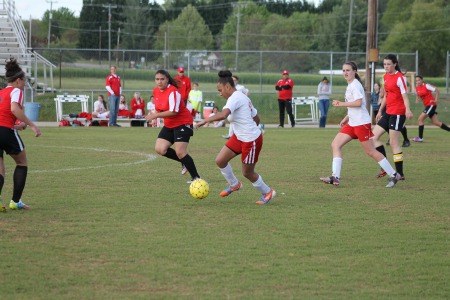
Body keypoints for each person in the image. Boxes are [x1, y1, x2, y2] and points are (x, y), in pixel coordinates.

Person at [195, 70, 275, 205]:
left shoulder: (235, 98)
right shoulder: (240, 97)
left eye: (220, 90)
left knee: (248, 173)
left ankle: (267, 192)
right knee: (220, 160)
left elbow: (223, 115)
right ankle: (234, 184)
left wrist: (203, 121)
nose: (219, 93)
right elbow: (256, 117)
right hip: (239, 137)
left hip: (251, 140)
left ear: (227, 87)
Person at [320, 61, 401, 188]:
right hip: (352, 123)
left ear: (355, 72)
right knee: (335, 144)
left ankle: (394, 174)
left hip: (361, 123)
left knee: (370, 151)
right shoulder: (351, 85)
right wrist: (346, 117)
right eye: (344, 70)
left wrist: (341, 104)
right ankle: (335, 177)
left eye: (348, 70)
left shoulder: (355, 85)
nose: (345, 73)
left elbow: (358, 103)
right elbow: (357, 105)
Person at [0, 58, 42, 211]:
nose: (24, 84)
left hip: (3, 129)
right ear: (18, 80)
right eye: (24, 81)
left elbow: (3, 118)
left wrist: (18, 125)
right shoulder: (16, 91)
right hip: (5, 131)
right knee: (22, 163)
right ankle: (15, 201)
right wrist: (32, 125)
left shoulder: (1, 92)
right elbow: (14, 110)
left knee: (0, 169)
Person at [145, 70, 200, 183]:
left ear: (167, 79)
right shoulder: (155, 91)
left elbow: (174, 111)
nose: (159, 82)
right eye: (157, 79)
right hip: (170, 124)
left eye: (162, 79)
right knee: (160, 149)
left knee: (180, 152)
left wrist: (156, 115)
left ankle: (196, 178)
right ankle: (183, 161)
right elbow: (158, 107)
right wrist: (156, 117)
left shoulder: (173, 92)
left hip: (182, 123)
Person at [372, 54, 413, 181]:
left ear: (395, 64)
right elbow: (386, 96)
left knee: (394, 142)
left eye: (388, 64)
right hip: (388, 112)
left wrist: (408, 110)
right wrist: (379, 111)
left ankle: (400, 173)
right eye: (384, 64)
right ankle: (385, 167)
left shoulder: (400, 78)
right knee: (373, 137)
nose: (386, 66)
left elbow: (405, 96)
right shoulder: (385, 77)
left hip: (398, 113)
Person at [411, 75, 450, 142]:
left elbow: (437, 91)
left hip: (431, 105)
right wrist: (417, 99)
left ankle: (420, 138)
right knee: (436, 122)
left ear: (422, 80)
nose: (417, 81)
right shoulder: (417, 88)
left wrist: (436, 100)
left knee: (420, 119)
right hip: (427, 106)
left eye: (419, 80)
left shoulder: (426, 86)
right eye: (416, 80)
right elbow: (418, 94)